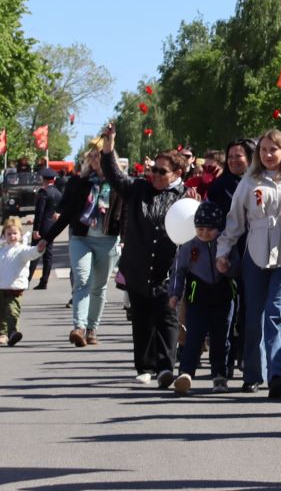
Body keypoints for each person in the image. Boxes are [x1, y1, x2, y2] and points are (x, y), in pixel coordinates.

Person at [217, 128, 281, 399]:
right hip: (256, 252)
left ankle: (277, 374)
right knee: (254, 316)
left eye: (273, 149)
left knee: (277, 312)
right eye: (263, 150)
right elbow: (234, 221)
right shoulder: (249, 182)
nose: (267, 154)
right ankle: (253, 374)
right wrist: (223, 251)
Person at [103, 129, 187, 386]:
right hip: (138, 265)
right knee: (141, 318)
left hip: (167, 269)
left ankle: (165, 366)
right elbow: (114, 176)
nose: (156, 175)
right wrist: (108, 147)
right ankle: (144, 366)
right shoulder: (138, 188)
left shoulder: (184, 196)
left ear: (177, 174)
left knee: (166, 317)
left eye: (162, 172)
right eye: (155, 170)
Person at [41, 145, 123, 346]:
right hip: (81, 238)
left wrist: (129, 240)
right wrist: (47, 237)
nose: (96, 160)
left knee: (99, 287)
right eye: (93, 157)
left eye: (101, 156)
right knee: (82, 280)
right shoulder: (78, 182)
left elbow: (127, 214)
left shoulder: (120, 183)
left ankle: (92, 329)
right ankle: (79, 327)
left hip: (108, 239)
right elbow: (67, 214)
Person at [173, 199, 238, 393]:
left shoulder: (226, 245)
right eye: (200, 229)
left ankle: (219, 375)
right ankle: (186, 373)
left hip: (223, 296)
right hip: (197, 297)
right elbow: (178, 271)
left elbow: (237, 269)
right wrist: (175, 293)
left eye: (209, 229)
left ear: (218, 228)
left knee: (221, 337)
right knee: (194, 336)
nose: (204, 233)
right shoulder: (188, 246)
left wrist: (228, 268)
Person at [0, 216, 45, 345]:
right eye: (9, 234)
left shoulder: (22, 250)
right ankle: (2, 334)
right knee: (0, 312)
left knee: (12, 311)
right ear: (4, 235)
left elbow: (32, 253)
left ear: (20, 234)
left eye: (15, 233)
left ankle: (12, 333)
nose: (12, 236)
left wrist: (39, 249)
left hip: (15, 287)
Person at [30, 168, 62, 291]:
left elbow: (39, 212)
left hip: (42, 226)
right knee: (48, 255)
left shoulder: (43, 192)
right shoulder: (59, 193)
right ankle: (44, 280)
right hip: (52, 227)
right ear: (53, 179)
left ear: (44, 180)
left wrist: (35, 229)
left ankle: (26, 279)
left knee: (34, 253)